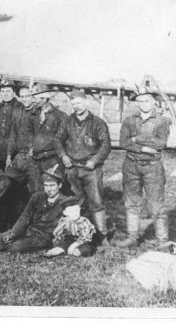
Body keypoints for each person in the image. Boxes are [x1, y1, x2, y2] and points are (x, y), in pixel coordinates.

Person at [114, 86, 172, 248]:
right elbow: (123, 142)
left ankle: (162, 241)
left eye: (146, 100)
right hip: (131, 166)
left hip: (152, 168)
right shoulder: (130, 120)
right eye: (140, 101)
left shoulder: (162, 120)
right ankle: (133, 237)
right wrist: (143, 147)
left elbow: (160, 143)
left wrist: (135, 139)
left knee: (156, 205)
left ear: (154, 102)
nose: (143, 104)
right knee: (131, 202)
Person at [59, 89, 112, 240]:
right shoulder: (67, 122)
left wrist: (94, 161)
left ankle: (102, 236)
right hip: (72, 169)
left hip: (91, 170)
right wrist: (63, 156)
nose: (77, 106)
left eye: (79, 103)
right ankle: (77, 232)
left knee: (96, 201)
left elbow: (106, 145)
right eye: (73, 104)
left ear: (86, 103)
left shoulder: (98, 123)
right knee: (74, 201)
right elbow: (58, 140)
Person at [28, 83, 69, 188]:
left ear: (44, 99)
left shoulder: (60, 116)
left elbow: (62, 139)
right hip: (36, 158)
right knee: (36, 188)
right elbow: (29, 133)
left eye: (35, 98)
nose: (33, 101)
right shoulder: (33, 114)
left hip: (52, 158)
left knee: (52, 186)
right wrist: (30, 147)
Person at [0, 79, 22, 169]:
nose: (5, 93)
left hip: (14, 149)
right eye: (3, 91)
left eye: (8, 91)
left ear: (13, 92)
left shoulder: (19, 107)